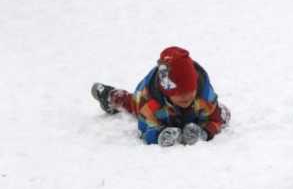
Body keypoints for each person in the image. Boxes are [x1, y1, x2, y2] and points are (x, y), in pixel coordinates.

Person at [91, 46, 230, 146]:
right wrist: (159, 135)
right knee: (131, 103)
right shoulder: (150, 103)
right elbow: (145, 129)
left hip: (196, 110)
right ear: (167, 92)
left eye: (190, 92)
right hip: (152, 104)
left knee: (218, 113)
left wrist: (204, 132)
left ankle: (221, 110)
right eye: (180, 95)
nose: (186, 98)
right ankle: (109, 96)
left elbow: (214, 120)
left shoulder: (204, 96)